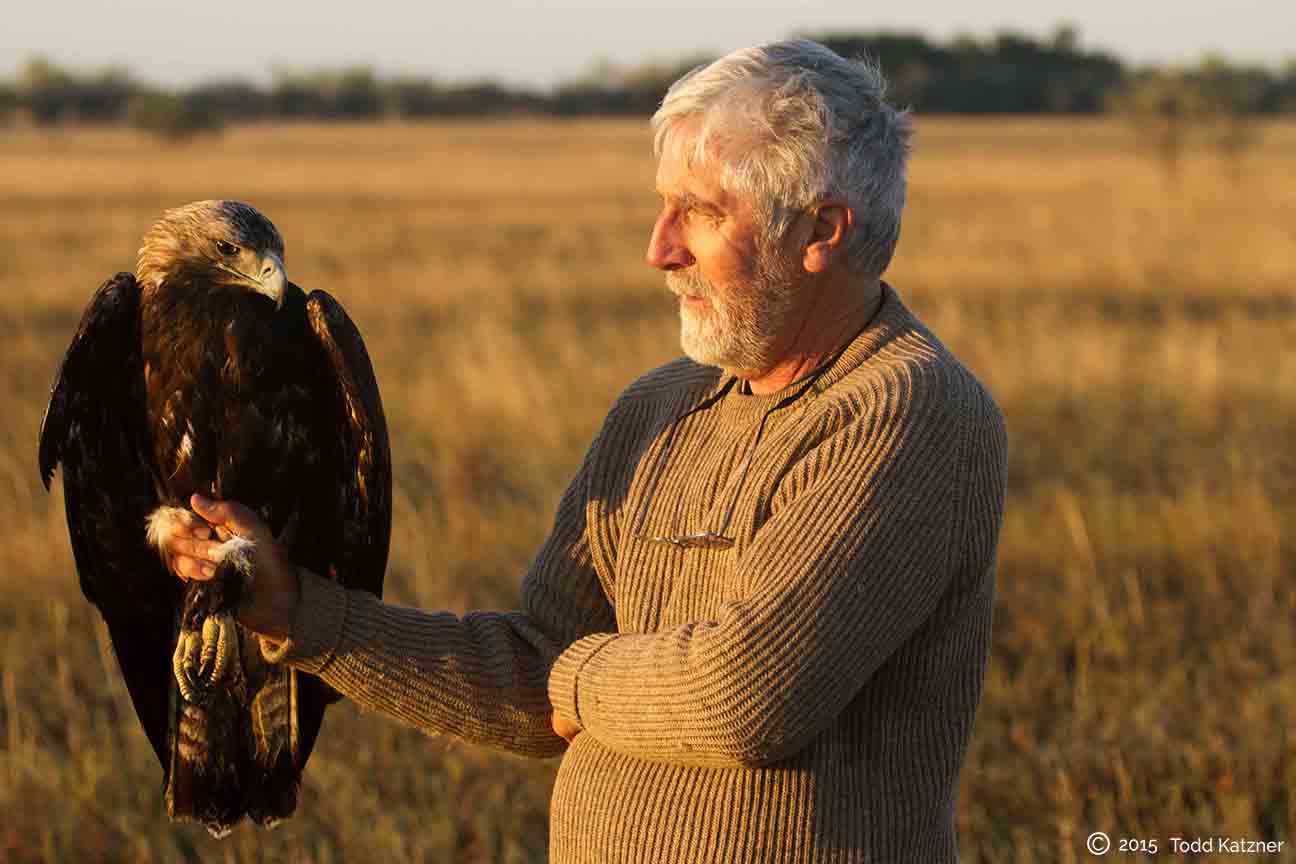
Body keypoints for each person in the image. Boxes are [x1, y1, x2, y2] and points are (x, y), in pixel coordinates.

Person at [166, 39, 1007, 863]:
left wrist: (571, 683)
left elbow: (743, 697)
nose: (660, 248)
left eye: (701, 213)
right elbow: (533, 670)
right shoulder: (659, 408)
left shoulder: (907, 411)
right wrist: (297, 612)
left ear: (821, 230)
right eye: (662, 206)